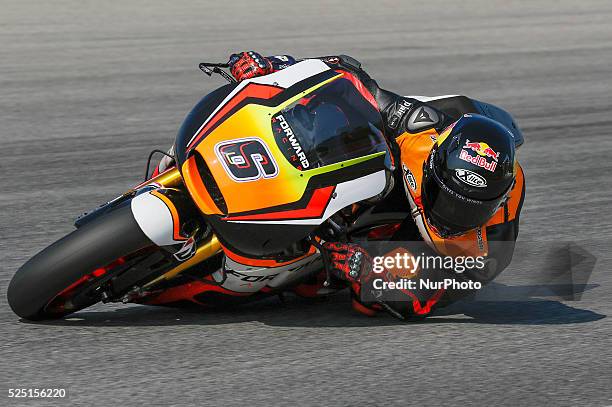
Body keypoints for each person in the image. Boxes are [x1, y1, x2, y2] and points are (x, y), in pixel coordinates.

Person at [146, 51, 525, 320]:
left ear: (498, 199)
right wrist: (275, 67)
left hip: (386, 241)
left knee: (326, 290)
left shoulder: (491, 242)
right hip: (385, 168)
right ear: (435, 160)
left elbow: (431, 294)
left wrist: (366, 271)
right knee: (324, 122)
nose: (454, 215)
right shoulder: (419, 132)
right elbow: (345, 75)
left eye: (469, 209)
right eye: (447, 198)